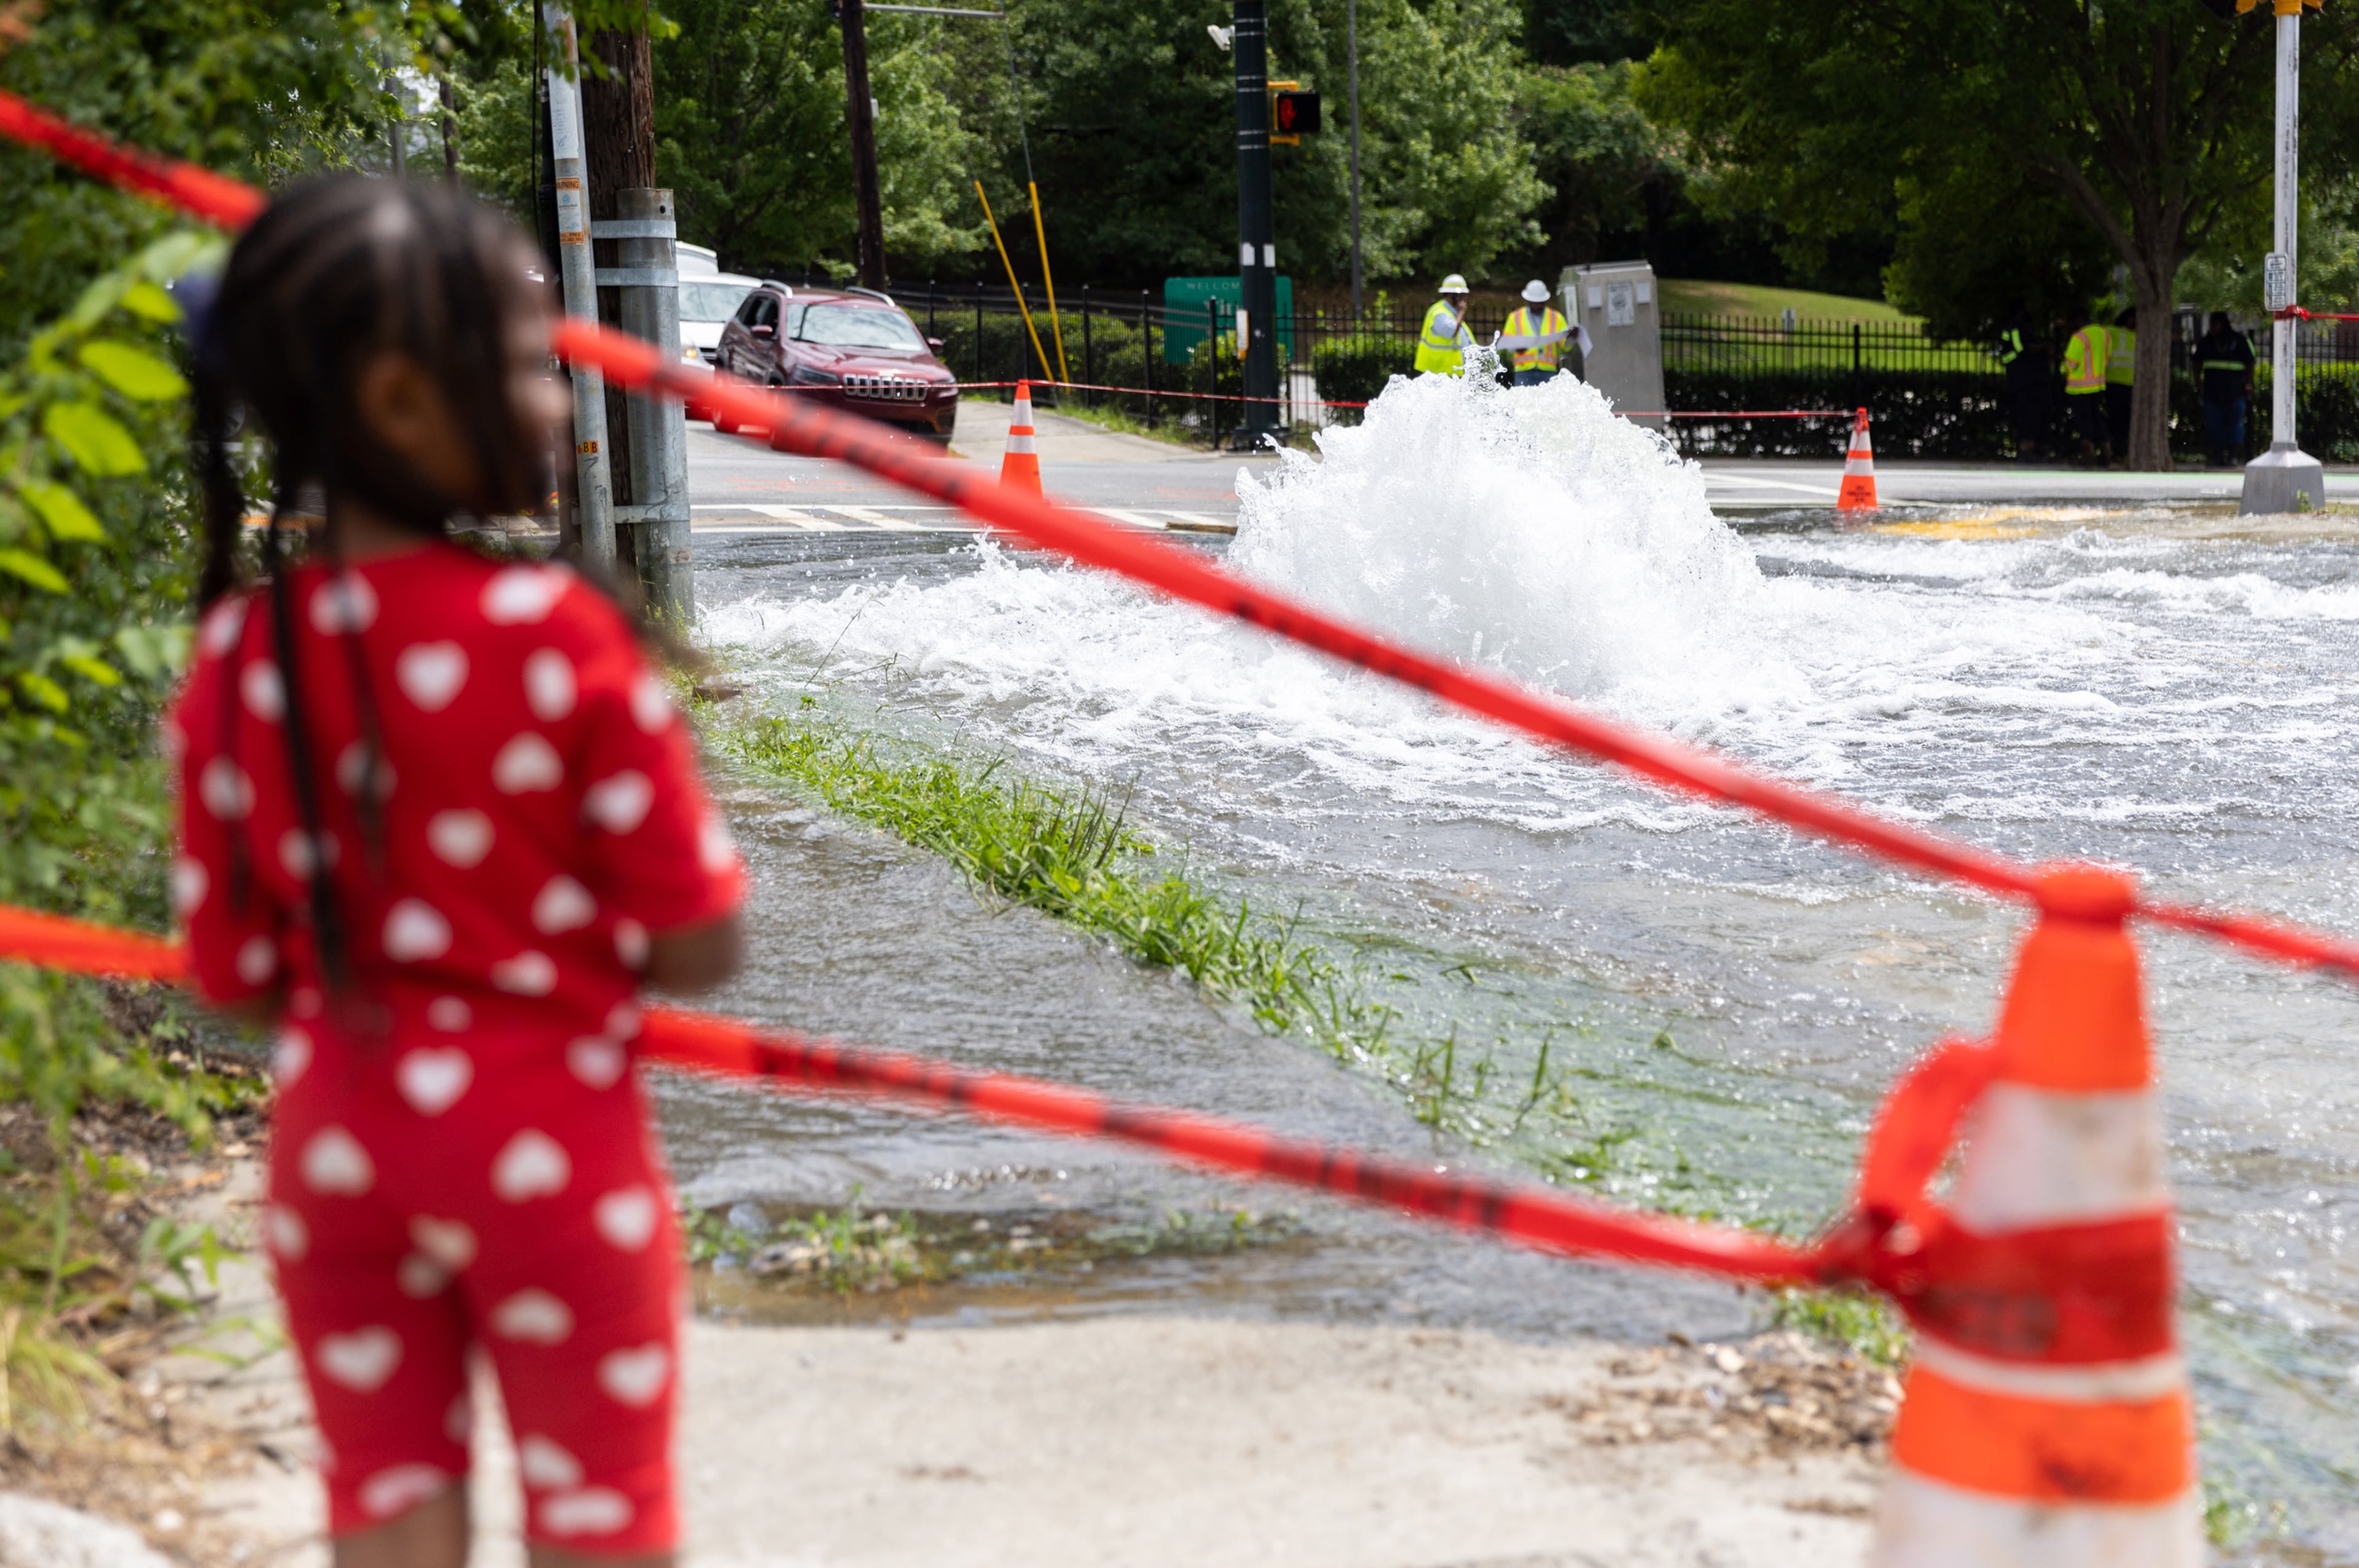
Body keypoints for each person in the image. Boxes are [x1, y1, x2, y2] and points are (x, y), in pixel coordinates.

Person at [171, 176, 746, 1568]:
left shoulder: (236, 661)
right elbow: (701, 938)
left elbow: (234, 975)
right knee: (601, 1505)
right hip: (551, 1154)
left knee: (383, 1493)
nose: (555, 401)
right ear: (400, 402)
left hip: (336, 1147)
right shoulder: (560, 636)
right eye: (518, 364)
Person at [2197, 310, 2256, 468]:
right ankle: (2216, 457)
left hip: (2235, 393)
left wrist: (2248, 384)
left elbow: (2250, 363)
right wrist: (2199, 384)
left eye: (2215, 324)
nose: (2213, 328)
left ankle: (2232, 456)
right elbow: (2196, 364)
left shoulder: (2240, 341)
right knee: (2214, 426)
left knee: (2235, 426)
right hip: (2212, 393)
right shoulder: (2206, 342)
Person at [1995, 304, 2048, 462]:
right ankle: (2026, 450)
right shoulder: (2016, 327)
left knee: (2032, 415)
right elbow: (2021, 349)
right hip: (2022, 379)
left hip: (2026, 379)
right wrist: (2042, 347)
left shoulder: (2021, 326)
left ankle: (2032, 448)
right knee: (2026, 415)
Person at [1500, 279, 1570, 386]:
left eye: (1540, 303)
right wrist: (1515, 348)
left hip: (1548, 370)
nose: (1537, 306)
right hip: (1523, 370)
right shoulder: (1515, 317)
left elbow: (1565, 347)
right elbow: (1507, 343)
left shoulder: (1556, 317)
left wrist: (1572, 337)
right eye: (1534, 303)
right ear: (1528, 300)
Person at [2062, 311, 2111, 464]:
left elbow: (2071, 362)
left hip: (2079, 387)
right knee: (2097, 418)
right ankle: (2106, 452)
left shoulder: (2080, 337)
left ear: (2078, 320)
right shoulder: (2105, 334)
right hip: (2098, 384)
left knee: (2084, 422)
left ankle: (2088, 456)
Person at [1415, 273, 1474, 376]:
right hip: (1440, 372)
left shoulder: (1451, 313)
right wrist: (1461, 312)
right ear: (1455, 296)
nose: (1464, 300)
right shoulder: (1439, 313)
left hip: (1450, 372)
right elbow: (1452, 331)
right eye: (1462, 296)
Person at [2105, 306, 2137, 461]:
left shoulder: (2140, 336)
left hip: (2130, 385)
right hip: (2116, 384)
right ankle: (2118, 452)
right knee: (2117, 421)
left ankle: (2123, 452)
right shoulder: (2113, 332)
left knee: (2127, 421)